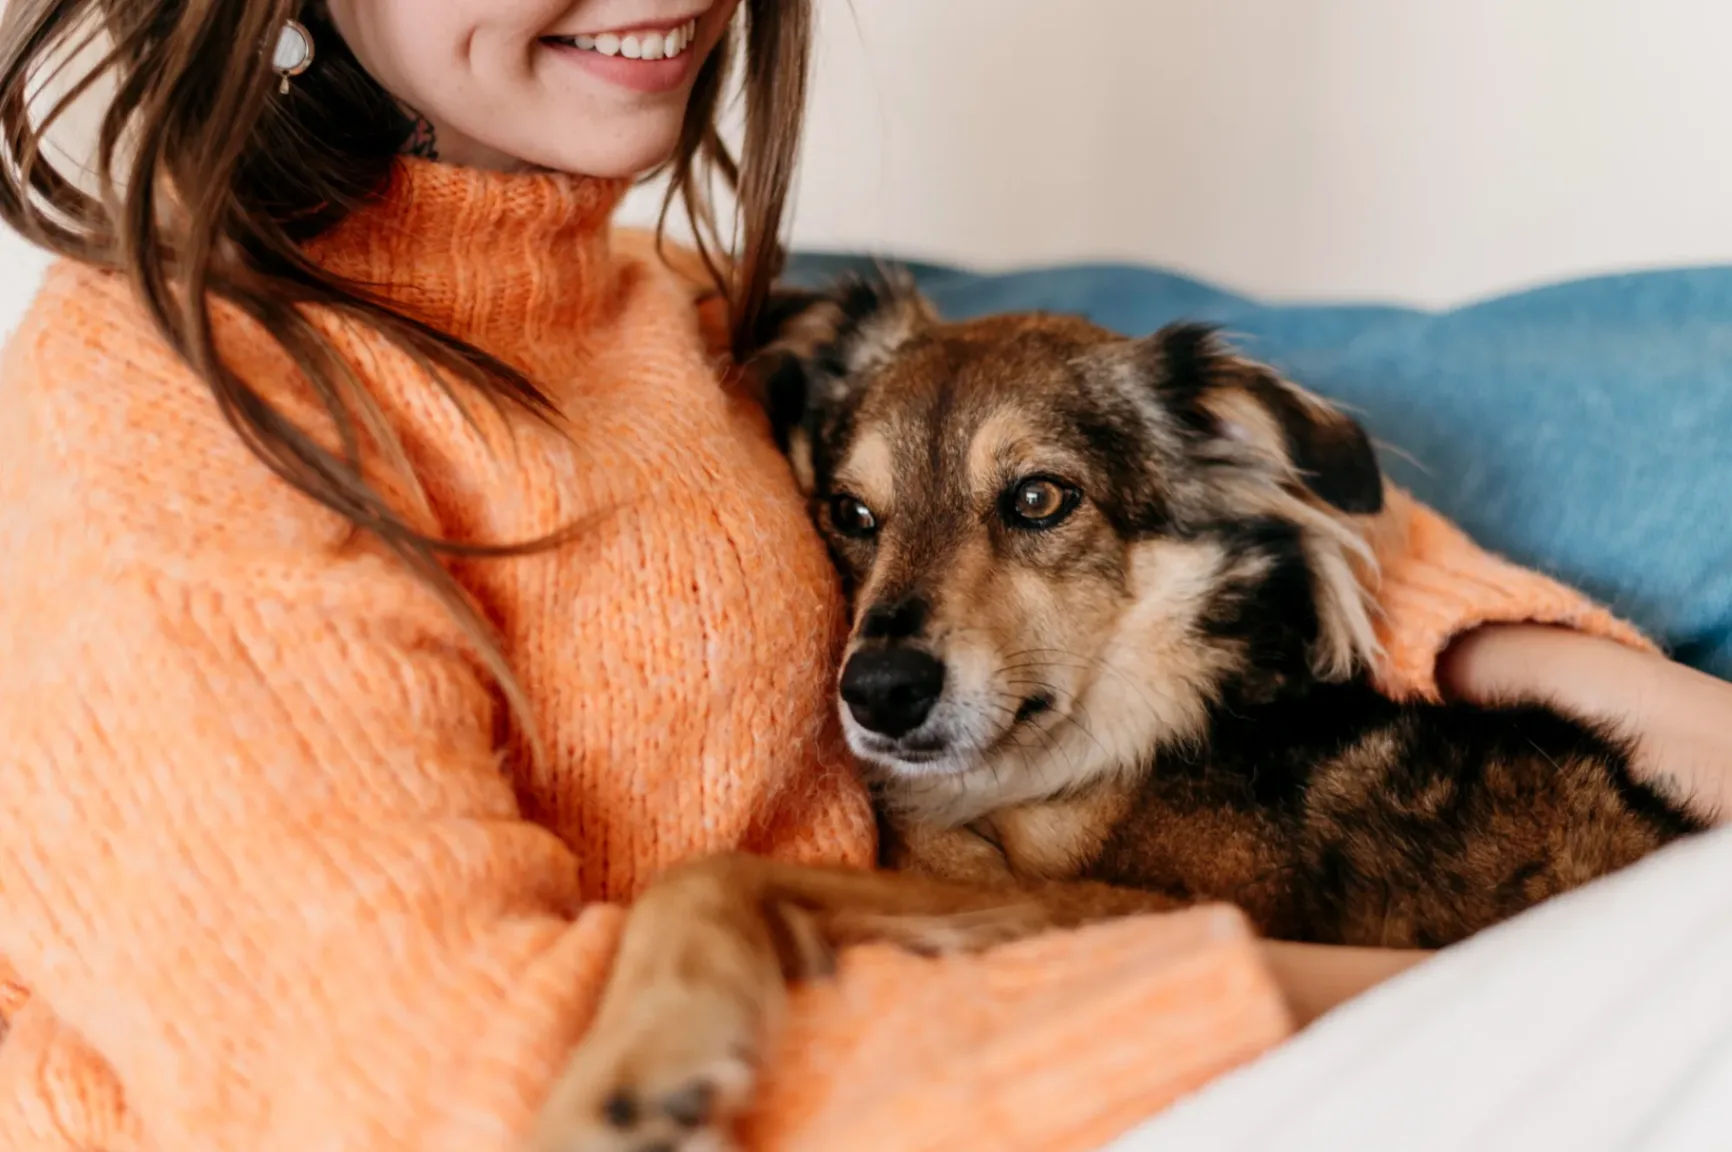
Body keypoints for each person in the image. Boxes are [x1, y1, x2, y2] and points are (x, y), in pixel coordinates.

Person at [0, 2, 1726, 1149]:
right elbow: (453, 1099)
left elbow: (1161, 475)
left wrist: (1605, 685)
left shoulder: (670, 314)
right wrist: (1345, 996)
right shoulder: (172, 413)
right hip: (1007, 1062)